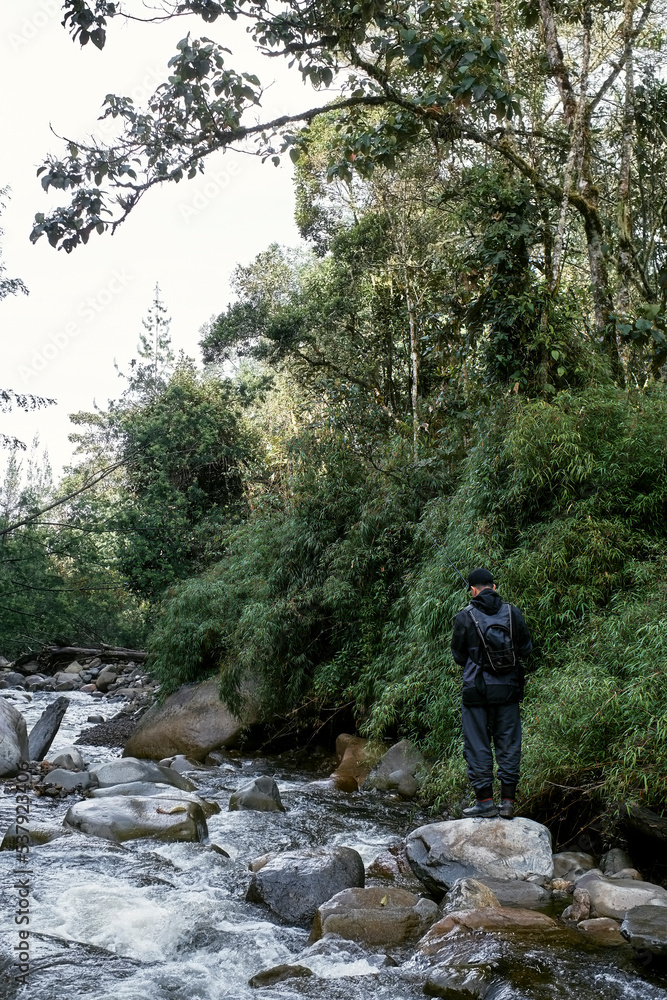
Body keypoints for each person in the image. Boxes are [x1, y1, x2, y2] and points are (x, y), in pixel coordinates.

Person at [450, 567, 532, 819]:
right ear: (494, 587)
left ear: (472, 590)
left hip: (476, 692)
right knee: (508, 744)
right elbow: (526, 649)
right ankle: (507, 803)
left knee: (477, 746)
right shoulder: (512, 612)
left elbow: (458, 657)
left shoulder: (464, 617)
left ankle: (485, 803)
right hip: (508, 690)